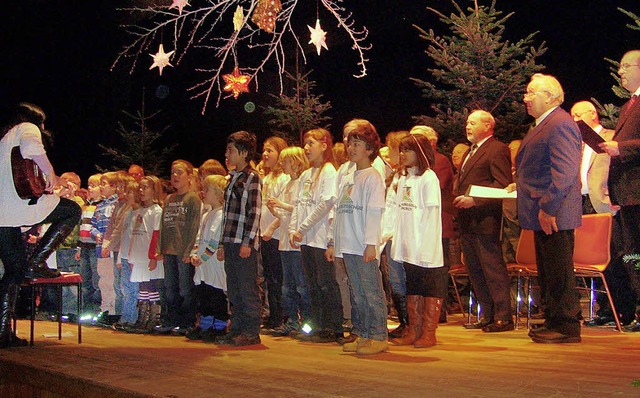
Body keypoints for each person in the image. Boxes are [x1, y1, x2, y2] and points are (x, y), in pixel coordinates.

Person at [0, 102, 81, 347]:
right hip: (16, 207)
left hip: (4, 214)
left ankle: (2, 332)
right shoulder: (27, 128)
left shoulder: (5, 138)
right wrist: (51, 175)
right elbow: (33, 149)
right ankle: (36, 261)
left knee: (13, 273)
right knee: (72, 211)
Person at [518, 73, 582, 344]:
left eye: (532, 92)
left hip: (553, 212)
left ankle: (566, 325)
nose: (526, 97)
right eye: (526, 92)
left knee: (559, 271)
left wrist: (548, 208)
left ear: (551, 97)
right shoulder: (545, 124)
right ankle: (555, 319)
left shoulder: (560, 124)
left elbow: (565, 173)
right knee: (549, 270)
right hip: (545, 211)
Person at [329, 121, 388, 355]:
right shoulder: (349, 175)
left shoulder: (372, 177)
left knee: (370, 289)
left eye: (358, 144)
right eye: (350, 143)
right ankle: (362, 332)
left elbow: (374, 212)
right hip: (348, 243)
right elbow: (341, 211)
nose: (351, 148)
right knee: (357, 291)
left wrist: (371, 244)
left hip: (363, 244)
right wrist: (336, 242)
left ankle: (378, 334)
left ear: (370, 149)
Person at [454, 110, 514, 332]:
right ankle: (487, 314)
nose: (467, 127)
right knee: (475, 269)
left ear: (488, 126)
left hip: (485, 218)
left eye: (472, 123)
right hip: (468, 220)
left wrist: (475, 200)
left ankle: (503, 316)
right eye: (467, 123)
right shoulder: (471, 151)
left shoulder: (496, 149)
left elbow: (503, 185)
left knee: (492, 268)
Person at [389, 133, 445, 348]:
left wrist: (426, 246)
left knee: (428, 285)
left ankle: (428, 332)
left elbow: (431, 215)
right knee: (413, 285)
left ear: (420, 153)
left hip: (424, 244)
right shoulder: (403, 178)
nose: (402, 154)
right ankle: (414, 329)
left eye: (407, 150)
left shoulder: (428, 178)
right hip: (407, 244)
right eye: (401, 150)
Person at [289, 128, 343, 343]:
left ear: (324, 145)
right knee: (312, 283)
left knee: (325, 283)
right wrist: (294, 229)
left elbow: (326, 204)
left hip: (319, 238)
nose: (306, 147)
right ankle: (318, 325)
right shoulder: (305, 174)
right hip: (306, 239)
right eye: (305, 143)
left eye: (311, 143)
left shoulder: (329, 171)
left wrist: (302, 227)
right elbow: (298, 204)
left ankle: (333, 326)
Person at [599, 50, 640, 332]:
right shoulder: (630, 104)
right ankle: (632, 311)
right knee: (629, 254)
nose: (620, 70)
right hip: (626, 194)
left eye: (626, 65)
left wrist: (620, 148)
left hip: (637, 192)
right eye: (620, 65)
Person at [215, 131, 262, 347]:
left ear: (244, 153)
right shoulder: (233, 178)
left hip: (244, 243)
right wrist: (223, 243)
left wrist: (248, 242)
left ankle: (251, 331)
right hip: (230, 240)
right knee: (233, 287)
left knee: (246, 287)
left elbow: (254, 212)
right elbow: (227, 214)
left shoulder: (252, 178)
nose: (227, 154)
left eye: (231, 150)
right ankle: (237, 328)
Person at [411, 125, 455, 323]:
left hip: (437, 224)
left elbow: (436, 187)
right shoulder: (411, 167)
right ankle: (418, 314)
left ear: (430, 142)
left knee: (437, 269)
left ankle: (439, 312)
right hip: (416, 225)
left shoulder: (440, 161)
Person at [266, 146, 312, 336]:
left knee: (301, 284)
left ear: (295, 162)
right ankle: (292, 321)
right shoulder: (287, 185)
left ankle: (308, 322)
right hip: (284, 241)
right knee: (288, 286)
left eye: (285, 161)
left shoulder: (303, 183)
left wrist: (281, 205)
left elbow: (300, 209)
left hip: (295, 243)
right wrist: (274, 210)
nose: (281, 164)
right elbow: (285, 214)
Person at [157, 160, 202, 334]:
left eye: (179, 173)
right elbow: (163, 225)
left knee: (185, 288)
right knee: (170, 288)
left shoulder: (192, 199)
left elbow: (194, 226)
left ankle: (187, 322)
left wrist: (189, 250)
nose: (175, 176)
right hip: (168, 250)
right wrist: (161, 248)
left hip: (183, 250)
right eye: (172, 173)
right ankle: (172, 320)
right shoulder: (169, 199)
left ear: (189, 176)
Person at [188, 175, 230, 341]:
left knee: (216, 294)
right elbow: (199, 237)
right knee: (204, 294)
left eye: (207, 190)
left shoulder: (221, 216)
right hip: (202, 264)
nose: (203, 192)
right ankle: (205, 325)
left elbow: (215, 241)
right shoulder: (206, 214)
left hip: (213, 264)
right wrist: (194, 253)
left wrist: (203, 257)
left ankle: (219, 326)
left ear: (218, 193)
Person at [123, 175, 165, 333]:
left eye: (145, 187)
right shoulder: (139, 211)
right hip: (139, 258)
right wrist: (131, 256)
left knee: (151, 287)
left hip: (150, 258)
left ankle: (154, 319)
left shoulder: (157, 211)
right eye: (140, 187)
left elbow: (156, 235)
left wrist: (154, 256)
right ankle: (142, 319)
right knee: (142, 288)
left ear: (155, 190)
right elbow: (134, 235)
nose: (141, 190)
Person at [259, 137, 290, 331]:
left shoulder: (284, 178)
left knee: (279, 278)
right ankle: (273, 315)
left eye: (270, 150)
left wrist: (271, 228)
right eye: (264, 150)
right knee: (270, 277)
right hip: (265, 235)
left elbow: (285, 211)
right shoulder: (268, 178)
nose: (265, 154)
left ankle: (282, 317)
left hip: (277, 235)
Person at [90, 171, 120, 323]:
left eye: (104, 184)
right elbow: (92, 225)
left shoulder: (117, 204)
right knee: (102, 280)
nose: (101, 187)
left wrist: (109, 242)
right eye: (100, 184)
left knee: (111, 280)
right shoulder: (100, 206)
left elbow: (116, 226)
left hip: (111, 249)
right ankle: (105, 308)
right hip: (99, 248)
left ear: (114, 186)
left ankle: (113, 311)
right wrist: (95, 233)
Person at [111, 178, 141, 330]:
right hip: (125, 257)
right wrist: (120, 257)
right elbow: (124, 236)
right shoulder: (128, 214)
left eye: (130, 192)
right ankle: (126, 317)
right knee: (126, 288)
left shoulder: (140, 214)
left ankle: (131, 319)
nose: (126, 195)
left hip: (134, 258)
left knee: (133, 290)